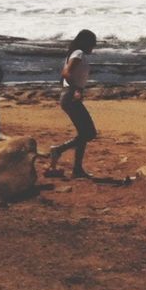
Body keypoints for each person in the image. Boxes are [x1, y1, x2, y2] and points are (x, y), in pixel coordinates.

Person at [47, 29, 98, 179]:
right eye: (92, 43)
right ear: (86, 42)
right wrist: (76, 90)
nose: (93, 46)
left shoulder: (75, 53)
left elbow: (65, 74)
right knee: (90, 133)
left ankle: (77, 169)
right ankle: (58, 150)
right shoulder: (79, 54)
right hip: (70, 96)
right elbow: (66, 73)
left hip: (68, 95)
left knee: (83, 133)